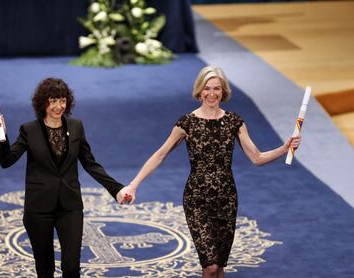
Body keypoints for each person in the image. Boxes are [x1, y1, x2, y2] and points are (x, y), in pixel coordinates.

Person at [121, 66, 301, 278]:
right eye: (207, 88)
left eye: (217, 88)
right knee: (210, 265)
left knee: (220, 266)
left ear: (223, 92)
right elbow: (160, 155)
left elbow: (257, 158)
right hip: (197, 200)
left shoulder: (235, 122)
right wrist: (134, 185)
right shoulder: (186, 123)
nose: (212, 93)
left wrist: (285, 148)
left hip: (226, 200)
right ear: (199, 91)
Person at [0, 78, 129, 278]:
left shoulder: (76, 126)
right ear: (43, 103)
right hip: (39, 209)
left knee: (72, 268)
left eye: (62, 100)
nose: (59, 106)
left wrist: (116, 189)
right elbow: (6, 160)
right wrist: (0, 135)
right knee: (45, 269)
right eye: (53, 101)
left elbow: (90, 163)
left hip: (70, 206)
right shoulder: (29, 130)